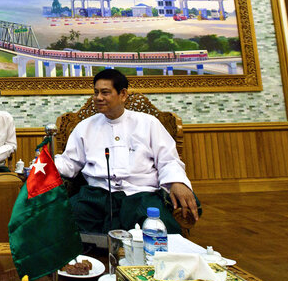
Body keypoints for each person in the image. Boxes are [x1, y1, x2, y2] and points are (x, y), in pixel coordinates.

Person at [54, 68, 200, 235]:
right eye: (96, 92)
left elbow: (168, 160)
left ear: (122, 94)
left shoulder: (148, 123)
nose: (98, 98)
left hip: (140, 193)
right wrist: (43, 167)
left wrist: (177, 182)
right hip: (96, 194)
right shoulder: (85, 127)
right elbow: (69, 162)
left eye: (105, 92)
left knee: (160, 231)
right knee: (62, 224)